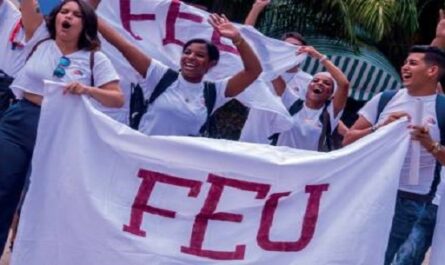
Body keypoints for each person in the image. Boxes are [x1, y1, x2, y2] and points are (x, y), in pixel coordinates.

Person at [0, 0, 124, 254]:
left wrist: (87, 90)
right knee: (2, 190)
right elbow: (27, 3)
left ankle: (26, 254)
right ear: (55, 17)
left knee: (39, 200)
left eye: (76, 14)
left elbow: (117, 98)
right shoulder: (39, 38)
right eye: (64, 12)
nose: (68, 17)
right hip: (19, 122)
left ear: (85, 23)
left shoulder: (94, 58)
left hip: (60, 132)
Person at [90, 0, 262, 137]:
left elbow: (253, 71)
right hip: (141, 161)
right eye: (187, 52)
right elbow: (123, 45)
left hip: (179, 171)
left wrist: (238, 39)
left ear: (211, 64)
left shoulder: (214, 92)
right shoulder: (159, 76)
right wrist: (89, 14)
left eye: (200, 55)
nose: (191, 58)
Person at [343, 45, 445, 265]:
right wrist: (380, 128)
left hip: (414, 200)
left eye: (413, 63)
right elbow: (348, 140)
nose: (404, 67)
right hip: (371, 191)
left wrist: (430, 144)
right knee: (358, 253)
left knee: (393, 258)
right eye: (405, 62)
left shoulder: (442, 108)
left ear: (432, 71)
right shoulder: (385, 99)